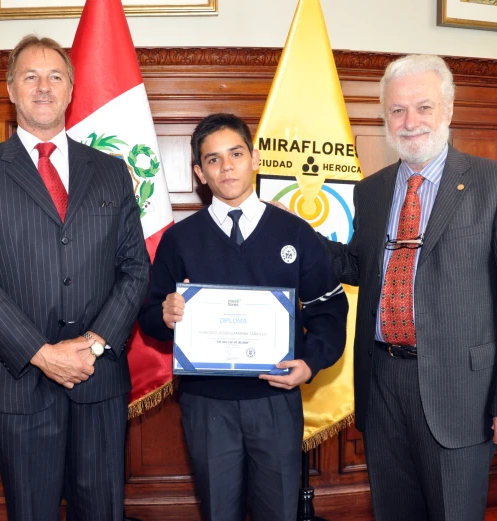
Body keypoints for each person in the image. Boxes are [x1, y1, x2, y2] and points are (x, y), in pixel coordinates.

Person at [321, 54, 497, 520]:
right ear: (385, 117)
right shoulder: (372, 190)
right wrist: (290, 234)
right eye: (397, 110)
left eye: (423, 107)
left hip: (460, 389)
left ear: (449, 109)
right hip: (382, 382)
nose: (410, 122)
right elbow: (362, 267)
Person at [0, 35, 149, 521]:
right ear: (11, 90)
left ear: (71, 88)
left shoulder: (111, 171)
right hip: (18, 382)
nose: (43, 87)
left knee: (102, 511)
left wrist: (95, 344)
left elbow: (135, 267)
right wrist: (42, 355)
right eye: (30, 76)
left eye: (55, 76)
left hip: (98, 378)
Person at [138, 113, 348, 521]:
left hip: (275, 398)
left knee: (279, 512)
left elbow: (329, 307)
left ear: (254, 158)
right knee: (219, 511)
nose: (226, 166)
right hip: (206, 405)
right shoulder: (179, 239)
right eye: (213, 159)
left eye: (235, 154)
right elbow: (148, 316)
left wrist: (311, 363)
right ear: (199, 172)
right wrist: (163, 315)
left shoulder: (296, 232)